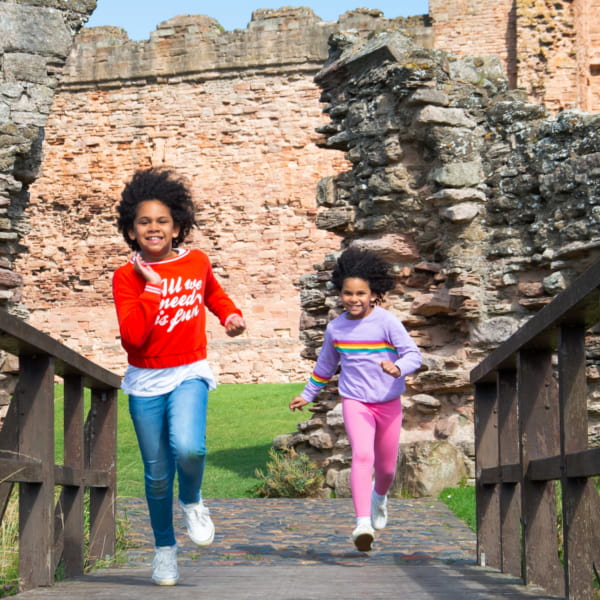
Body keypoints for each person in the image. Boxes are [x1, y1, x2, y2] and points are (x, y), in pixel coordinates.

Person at [112, 167, 246, 586]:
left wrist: (229, 314)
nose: (154, 228)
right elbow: (133, 340)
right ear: (131, 231)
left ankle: (192, 500)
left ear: (177, 227)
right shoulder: (125, 277)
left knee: (189, 448)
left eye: (162, 221)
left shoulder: (196, 262)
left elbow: (212, 293)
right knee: (155, 475)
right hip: (146, 380)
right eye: (144, 222)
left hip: (189, 370)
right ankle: (164, 550)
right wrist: (151, 287)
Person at [289, 246, 422, 552]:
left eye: (361, 293)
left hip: (388, 402)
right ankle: (362, 523)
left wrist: (397, 367)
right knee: (362, 456)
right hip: (355, 402)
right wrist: (307, 394)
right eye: (348, 293)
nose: (354, 299)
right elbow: (325, 366)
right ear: (340, 294)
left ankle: (379, 497)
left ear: (374, 293)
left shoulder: (386, 322)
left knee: (387, 469)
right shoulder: (336, 328)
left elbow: (413, 354)